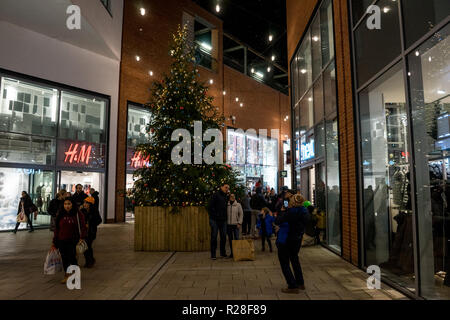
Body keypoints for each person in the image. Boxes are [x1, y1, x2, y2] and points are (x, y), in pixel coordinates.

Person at [275, 193, 310, 294]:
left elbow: (278, 221)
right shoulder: (304, 211)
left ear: (292, 202)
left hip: (285, 240)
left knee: (284, 262)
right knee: (295, 259)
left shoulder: (289, 212)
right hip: (297, 239)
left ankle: (292, 285)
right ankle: (300, 283)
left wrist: (282, 212)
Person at [52, 198, 87, 284]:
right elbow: (57, 229)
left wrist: (82, 237)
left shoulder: (78, 214)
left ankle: (75, 273)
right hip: (62, 240)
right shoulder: (60, 214)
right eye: (65, 204)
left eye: (69, 204)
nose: (67, 206)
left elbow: (83, 227)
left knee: (72, 258)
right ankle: (67, 275)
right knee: (64, 258)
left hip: (73, 240)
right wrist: (54, 241)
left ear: (72, 204)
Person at [208, 183, 229, 260]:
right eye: (226, 187)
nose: (227, 189)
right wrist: (215, 215)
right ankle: (213, 254)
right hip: (214, 220)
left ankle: (222, 253)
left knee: (223, 237)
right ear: (221, 187)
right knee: (214, 237)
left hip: (223, 220)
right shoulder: (215, 195)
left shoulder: (226, 196)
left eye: (228, 188)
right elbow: (210, 206)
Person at [80, 197, 102, 268]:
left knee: (88, 246)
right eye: (84, 203)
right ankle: (89, 260)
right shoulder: (82, 211)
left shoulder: (94, 211)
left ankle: (90, 261)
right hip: (83, 232)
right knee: (85, 247)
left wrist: (91, 223)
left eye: (86, 203)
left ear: (90, 204)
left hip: (91, 232)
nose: (85, 204)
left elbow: (99, 220)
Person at [226, 193, 243, 258]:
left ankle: (237, 253)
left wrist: (239, 223)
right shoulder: (227, 205)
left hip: (236, 225)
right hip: (229, 225)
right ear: (229, 197)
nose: (232, 197)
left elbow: (241, 214)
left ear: (235, 197)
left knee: (236, 239)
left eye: (233, 196)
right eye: (231, 196)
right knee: (230, 240)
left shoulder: (238, 205)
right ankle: (232, 253)